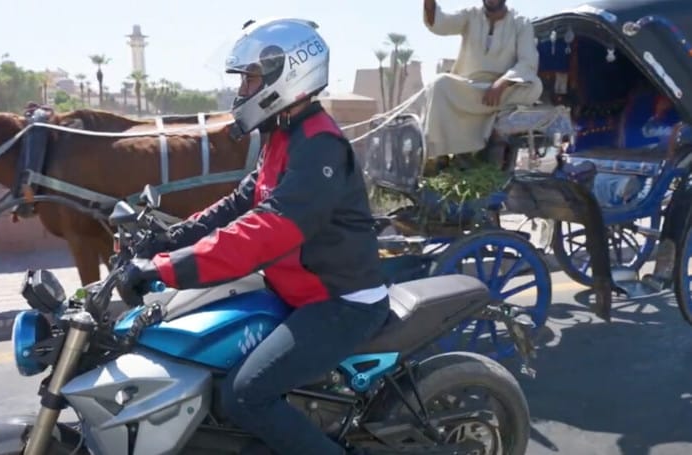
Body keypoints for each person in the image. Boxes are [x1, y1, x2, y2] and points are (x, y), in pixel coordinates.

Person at [124, 17, 391, 455]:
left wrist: (166, 269)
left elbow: (267, 229)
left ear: (287, 75)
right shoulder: (284, 134)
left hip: (341, 302)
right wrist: (167, 240)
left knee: (245, 394)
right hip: (295, 290)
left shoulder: (320, 145)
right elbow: (240, 203)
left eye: (250, 79)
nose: (242, 91)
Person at [421, 0, 543, 163]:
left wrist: (502, 83)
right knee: (439, 84)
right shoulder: (470, 15)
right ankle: (439, 156)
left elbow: (527, 62)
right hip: (471, 89)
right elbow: (440, 23)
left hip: (504, 90)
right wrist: (429, 4)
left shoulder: (521, 23)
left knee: (534, 86)